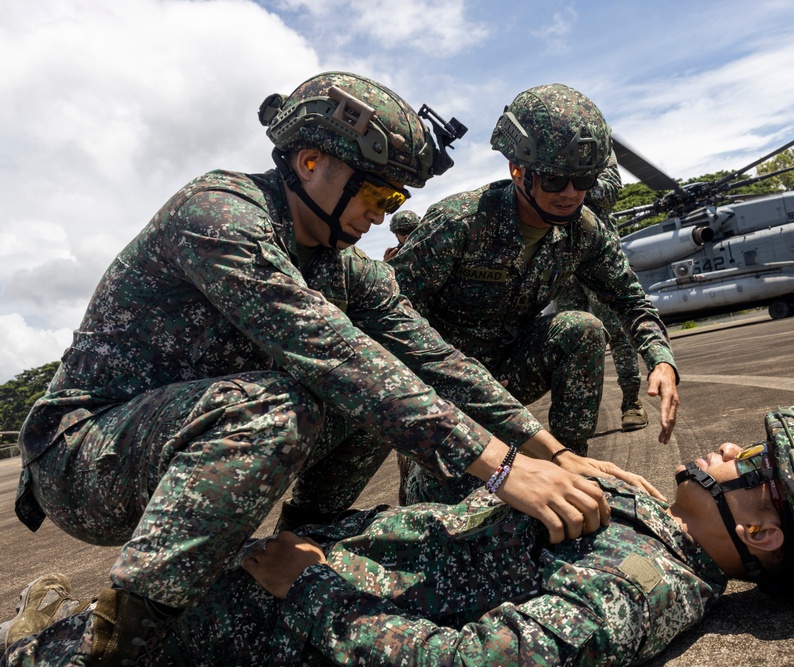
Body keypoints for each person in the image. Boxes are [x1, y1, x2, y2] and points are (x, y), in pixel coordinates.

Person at [10, 72, 649, 664]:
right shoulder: (218, 214)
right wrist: (500, 469)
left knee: (384, 395)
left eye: (394, 195)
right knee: (298, 398)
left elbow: (435, 360)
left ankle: (303, 546)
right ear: (310, 162)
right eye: (376, 191)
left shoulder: (345, 268)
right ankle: (121, 649)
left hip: (181, 457)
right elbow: (334, 352)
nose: (382, 211)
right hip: (86, 460)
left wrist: (551, 452)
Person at [2, 406, 794, 666]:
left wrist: (305, 586)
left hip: (265, 622)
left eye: (757, 462)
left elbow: (480, 660)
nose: (732, 448)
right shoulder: (653, 525)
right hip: (316, 570)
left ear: (766, 527)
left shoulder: (647, 576)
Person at [389, 83, 679, 503]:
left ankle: (569, 471)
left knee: (581, 328)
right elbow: (386, 315)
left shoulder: (582, 232)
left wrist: (661, 360)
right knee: (442, 510)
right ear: (517, 170)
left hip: (507, 373)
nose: (570, 193)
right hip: (440, 386)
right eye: (555, 178)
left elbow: (631, 301)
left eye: (582, 180)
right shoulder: (458, 224)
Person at [552, 151, 648, 432]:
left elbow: (609, 191)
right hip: (561, 256)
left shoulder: (598, 149)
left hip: (598, 255)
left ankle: (632, 402)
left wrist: (567, 182)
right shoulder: (545, 149)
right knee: (568, 336)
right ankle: (574, 417)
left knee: (617, 330)